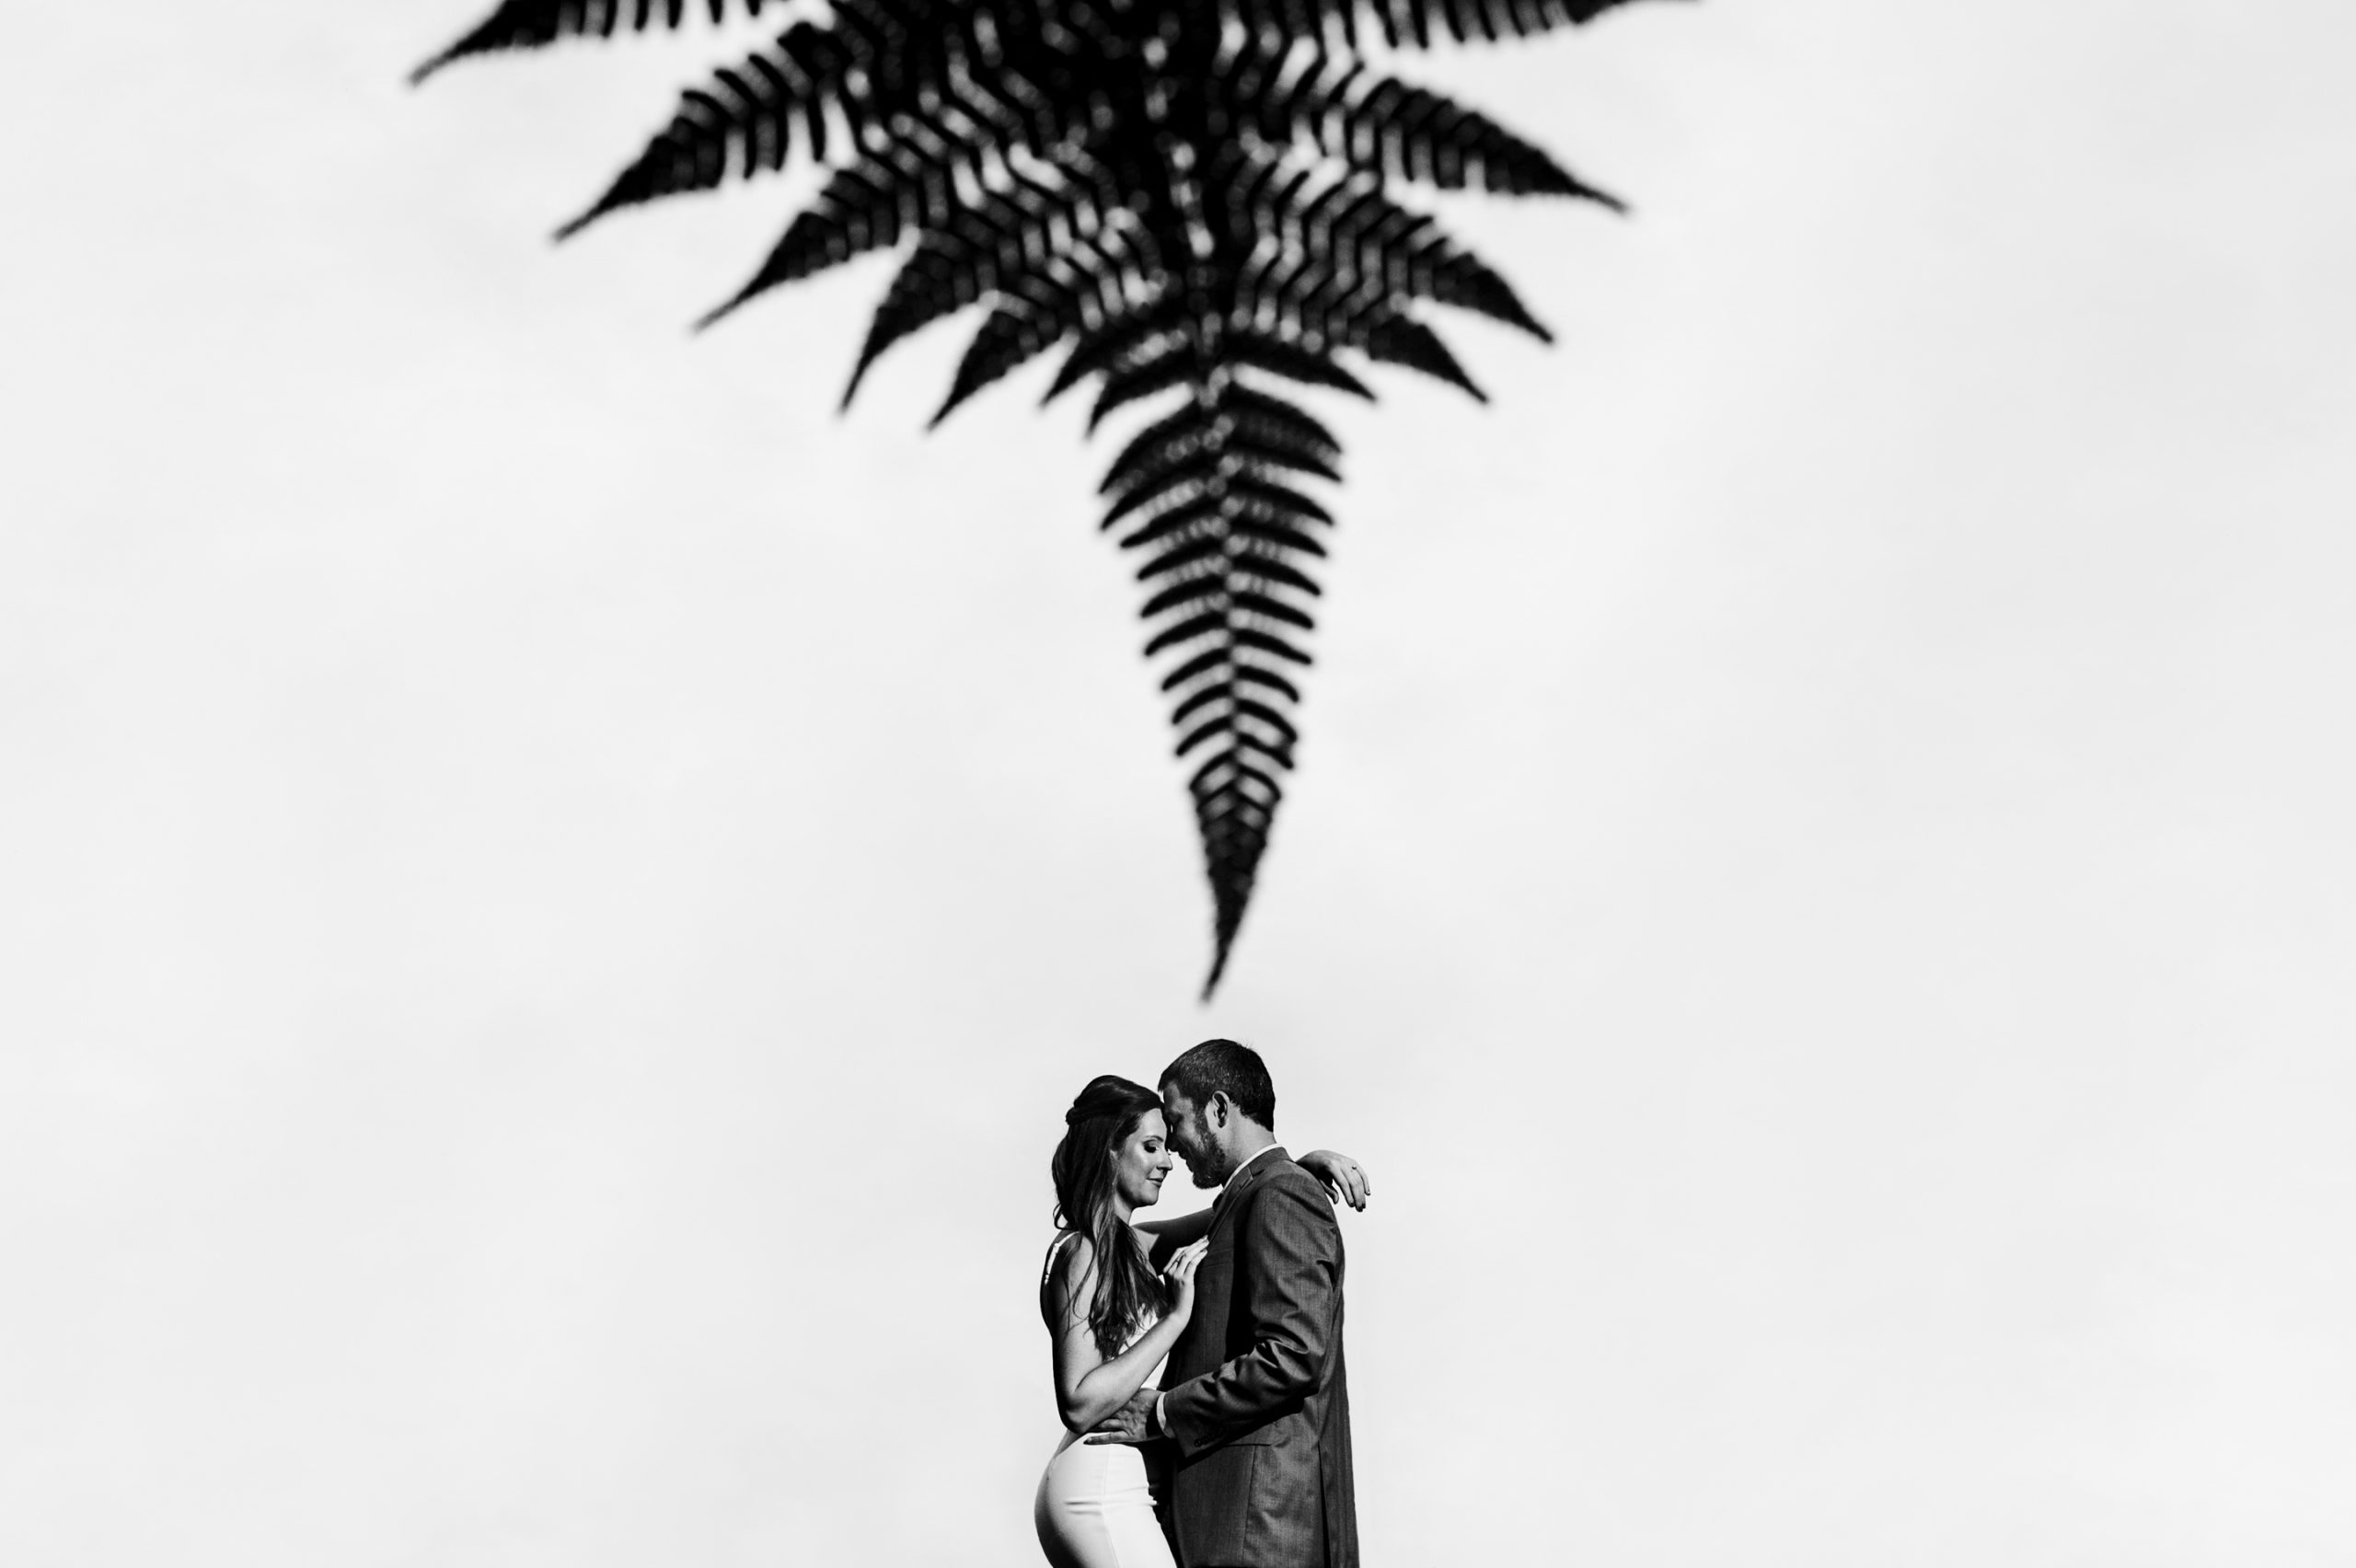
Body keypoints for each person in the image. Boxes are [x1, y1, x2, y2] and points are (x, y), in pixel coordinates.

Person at [1036, 1072, 1370, 1568]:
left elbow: (1237, 1210)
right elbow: (1080, 1402)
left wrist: (1296, 1168)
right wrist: (1175, 1318)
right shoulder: (1083, 1249)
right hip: (1100, 1483)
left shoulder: (1134, 1245)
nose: (1167, 1161)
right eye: (1151, 1146)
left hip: (1129, 1481)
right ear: (1109, 1150)